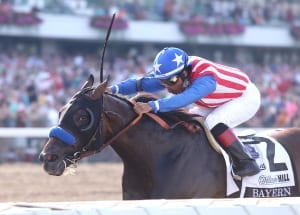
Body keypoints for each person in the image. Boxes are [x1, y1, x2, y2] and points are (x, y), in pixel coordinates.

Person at [107, 47, 261, 178]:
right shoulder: (173, 72)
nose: (167, 86)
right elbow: (140, 83)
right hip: (215, 100)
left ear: (185, 73)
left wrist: (153, 106)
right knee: (190, 120)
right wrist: (112, 90)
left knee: (214, 122)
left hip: (244, 97)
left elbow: (185, 99)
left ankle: (246, 162)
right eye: (163, 82)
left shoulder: (205, 77)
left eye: (171, 81)